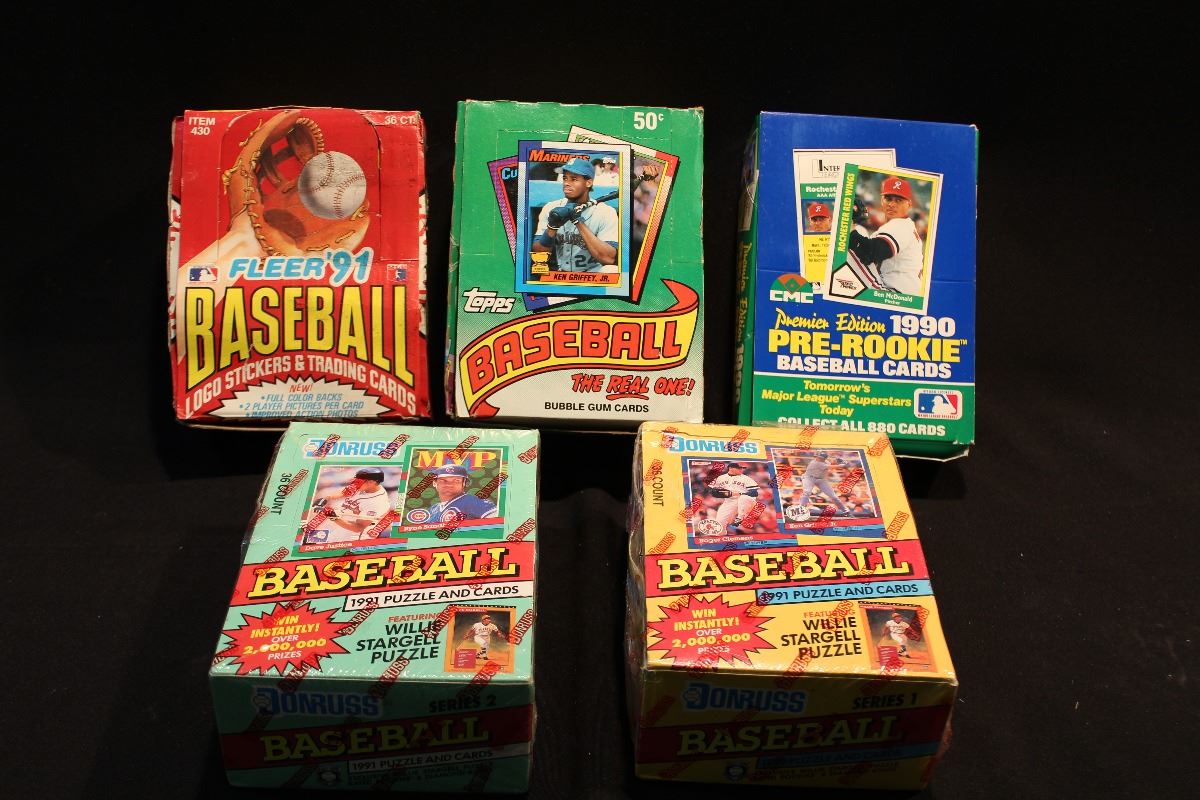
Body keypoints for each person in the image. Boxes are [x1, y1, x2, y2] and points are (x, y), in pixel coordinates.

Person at [532, 157, 619, 273]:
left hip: (592, 274)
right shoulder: (551, 208)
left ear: (588, 182)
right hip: (560, 274)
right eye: (565, 178)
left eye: (573, 179)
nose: (566, 183)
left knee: (611, 270)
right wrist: (552, 227)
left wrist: (578, 221)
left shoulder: (606, 212)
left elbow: (609, 258)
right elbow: (538, 254)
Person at [847, 176, 924, 295]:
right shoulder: (905, 225)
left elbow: (874, 252)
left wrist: (849, 229)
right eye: (888, 199)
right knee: (858, 233)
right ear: (882, 200)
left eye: (898, 200)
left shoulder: (901, 225)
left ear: (909, 204)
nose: (892, 204)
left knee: (846, 240)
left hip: (895, 294)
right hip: (903, 291)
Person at [307, 467, 392, 544]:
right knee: (311, 544)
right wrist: (327, 498)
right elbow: (344, 492)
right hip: (337, 524)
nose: (355, 484)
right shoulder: (365, 486)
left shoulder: (377, 502)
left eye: (358, 482)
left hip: (351, 536)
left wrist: (335, 518)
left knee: (327, 553)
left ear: (371, 482)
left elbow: (359, 527)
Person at [426, 465, 499, 523]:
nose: (449, 484)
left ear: (464, 483)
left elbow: (497, 524)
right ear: (434, 483)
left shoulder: (473, 501)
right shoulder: (433, 509)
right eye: (443, 481)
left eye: (456, 481)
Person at [704, 462, 763, 533]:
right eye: (739, 468)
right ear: (730, 468)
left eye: (742, 468)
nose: (741, 470)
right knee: (719, 525)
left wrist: (739, 493)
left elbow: (754, 493)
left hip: (747, 501)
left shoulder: (746, 478)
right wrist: (716, 493)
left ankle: (740, 518)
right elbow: (711, 490)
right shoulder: (721, 478)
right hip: (729, 502)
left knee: (743, 498)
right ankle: (721, 536)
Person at [796, 451, 852, 516]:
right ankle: (800, 509)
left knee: (834, 496)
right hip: (809, 478)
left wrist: (836, 460)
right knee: (807, 492)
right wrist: (843, 464)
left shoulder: (826, 462)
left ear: (824, 458)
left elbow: (831, 464)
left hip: (821, 480)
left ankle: (845, 511)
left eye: (820, 458)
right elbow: (833, 467)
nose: (818, 459)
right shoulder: (815, 463)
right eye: (818, 457)